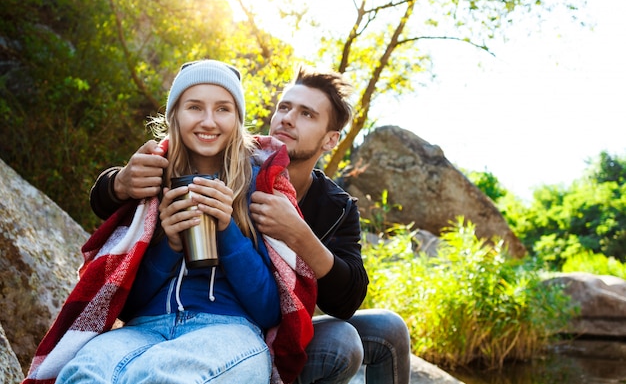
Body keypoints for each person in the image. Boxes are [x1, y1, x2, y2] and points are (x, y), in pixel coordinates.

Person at [89, 64, 412, 384]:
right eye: (284, 107)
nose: (287, 117)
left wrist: (299, 235)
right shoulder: (239, 164)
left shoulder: (336, 207)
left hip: (258, 324)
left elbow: (346, 300)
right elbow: (120, 199)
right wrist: (118, 183)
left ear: (331, 140)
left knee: (383, 329)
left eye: (306, 114)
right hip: (170, 320)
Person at [50, 59, 295, 383]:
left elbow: (270, 311)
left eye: (223, 109)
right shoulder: (151, 179)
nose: (209, 121)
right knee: (82, 373)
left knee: (163, 376)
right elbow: (127, 306)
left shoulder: (260, 185)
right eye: (195, 107)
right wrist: (170, 243)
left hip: (228, 329)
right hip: (144, 328)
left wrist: (227, 230)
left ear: (237, 119)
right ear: (174, 115)